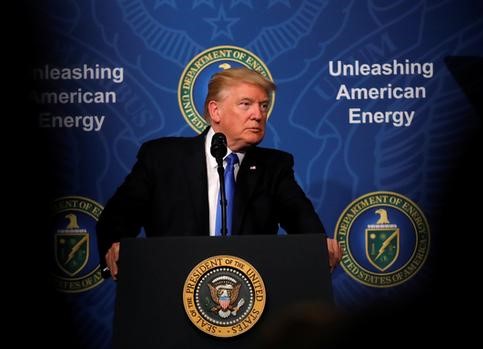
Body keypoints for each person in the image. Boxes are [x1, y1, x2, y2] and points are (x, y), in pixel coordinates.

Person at [97, 67, 341, 278]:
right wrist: (116, 250)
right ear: (215, 111)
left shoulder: (274, 168)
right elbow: (115, 220)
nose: (258, 114)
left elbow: (305, 227)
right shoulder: (162, 159)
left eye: (263, 105)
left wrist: (320, 247)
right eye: (246, 104)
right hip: (171, 295)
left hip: (249, 304)